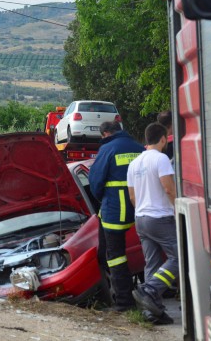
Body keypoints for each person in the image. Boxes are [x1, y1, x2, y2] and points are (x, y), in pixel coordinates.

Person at [89, 121, 144, 311]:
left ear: (105, 133)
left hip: (115, 209)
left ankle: (124, 303)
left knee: (115, 256)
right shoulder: (139, 148)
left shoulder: (107, 149)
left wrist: (102, 200)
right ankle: (149, 294)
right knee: (147, 252)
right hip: (140, 209)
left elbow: (95, 181)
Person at [127, 122, 177, 325]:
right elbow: (169, 189)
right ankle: (151, 289)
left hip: (141, 218)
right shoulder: (161, 159)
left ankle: (151, 312)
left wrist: (143, 209)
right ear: (163, 139)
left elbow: (132, 196)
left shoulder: (134, 163)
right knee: (179, 258)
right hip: (160, 218)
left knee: (153, 263)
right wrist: (177, 209)